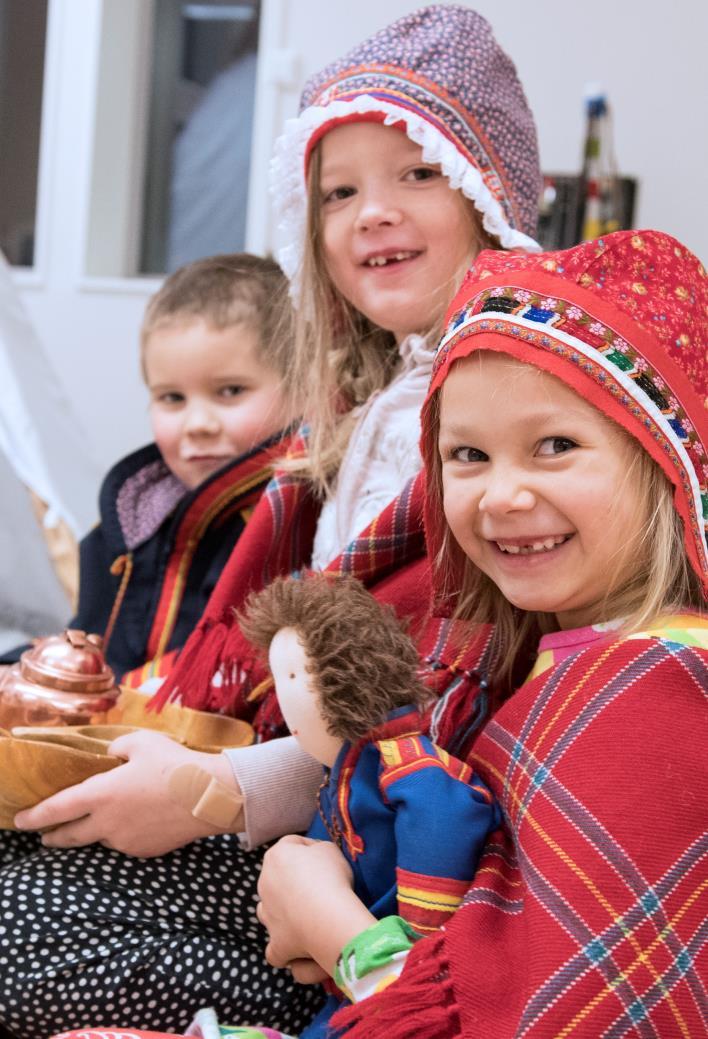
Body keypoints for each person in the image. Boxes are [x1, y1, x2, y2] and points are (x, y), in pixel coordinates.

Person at [0, 7, 541, 1036]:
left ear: (488, 189)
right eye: (340, 191)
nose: (372, 213)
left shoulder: (487, 418)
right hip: (294, 807)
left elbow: (413, 723)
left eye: (417, 173)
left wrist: (213, 791)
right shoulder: (365, 414)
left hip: (361, 876)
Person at [244, 230, 707, 1039]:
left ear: (663, 462)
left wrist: (331, 926)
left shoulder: (651, 698)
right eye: (467, 455)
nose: (501, 495)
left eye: (555, 446)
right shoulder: (544, 655)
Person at [0, 253, 293, 682]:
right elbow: (92, 638)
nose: (198, 424)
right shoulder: (131, 522)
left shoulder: (291, 525)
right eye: (172, 398)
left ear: (304, 385)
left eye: (230, 391)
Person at [240, 572, 500, 1037]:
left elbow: (448, 822)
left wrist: (415, 941)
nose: (281, 703)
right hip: (349, 969)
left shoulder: (408, 770)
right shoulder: (348, 770)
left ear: (340, 679)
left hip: (394, 969)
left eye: (292, 679)